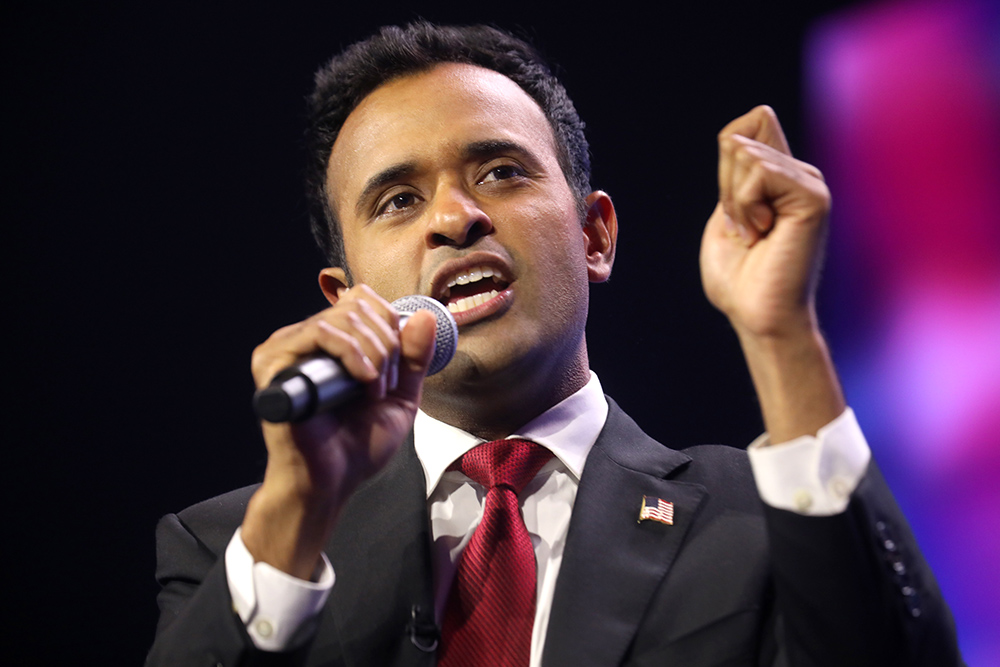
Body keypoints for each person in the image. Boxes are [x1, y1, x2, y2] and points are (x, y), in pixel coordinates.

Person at [146, 22, 962, 667]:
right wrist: (295, 508)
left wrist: (781, 331)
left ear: (595, 236)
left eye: (500, 171)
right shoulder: (233, 549)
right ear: (347, 297)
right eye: (397, 198)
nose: (454, 216)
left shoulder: (762, 519)